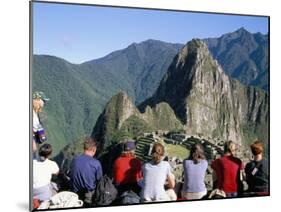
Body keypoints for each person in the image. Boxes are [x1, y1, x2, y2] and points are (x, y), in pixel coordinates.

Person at [69, 137, 103, 206]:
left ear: (84, 148)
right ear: (94, 149)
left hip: (74, 193)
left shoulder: (75, 160)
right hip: (88, 195)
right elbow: (99, 180)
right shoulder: (96, 163)